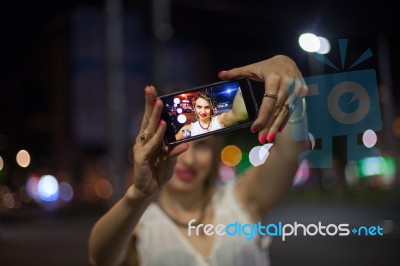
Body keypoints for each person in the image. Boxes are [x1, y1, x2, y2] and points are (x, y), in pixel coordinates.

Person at [88, 55, 310, 266]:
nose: (189, 159)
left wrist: (290, 86)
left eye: (202, 145)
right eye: (178, 144)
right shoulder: (136, 223)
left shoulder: (242, 199)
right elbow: (101, 259)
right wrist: (138, 195)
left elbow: (291, 151)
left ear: (215, 151)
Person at [175, 90, 248, 140]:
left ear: (211, 108)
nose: (203, 112)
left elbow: (238, 115)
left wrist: (241, 91)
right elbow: (177, 140)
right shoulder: (189, 130)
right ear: (194, 107)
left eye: (207, 107)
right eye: (199, 107)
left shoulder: (219, 121)